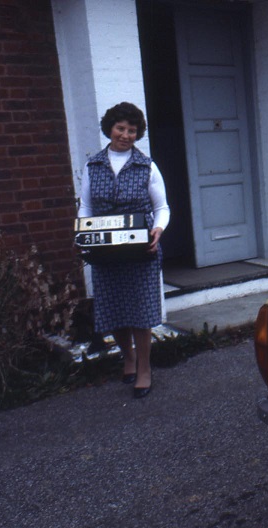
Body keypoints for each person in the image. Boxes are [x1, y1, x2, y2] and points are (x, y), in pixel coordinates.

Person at [78, 102, 170, 399]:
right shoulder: (93, 166)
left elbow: (162, 207)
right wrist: (82, 233)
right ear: (110, 129)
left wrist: (158, 229)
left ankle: (144, 368)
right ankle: (127, 357)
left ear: (137, 133)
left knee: (140, 311)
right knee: (114, 308)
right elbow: (86, 207)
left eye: (132, 130)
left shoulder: (147, 166)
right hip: (105, 250)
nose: (125, 135)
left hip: (141, 249)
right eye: (120, 128)